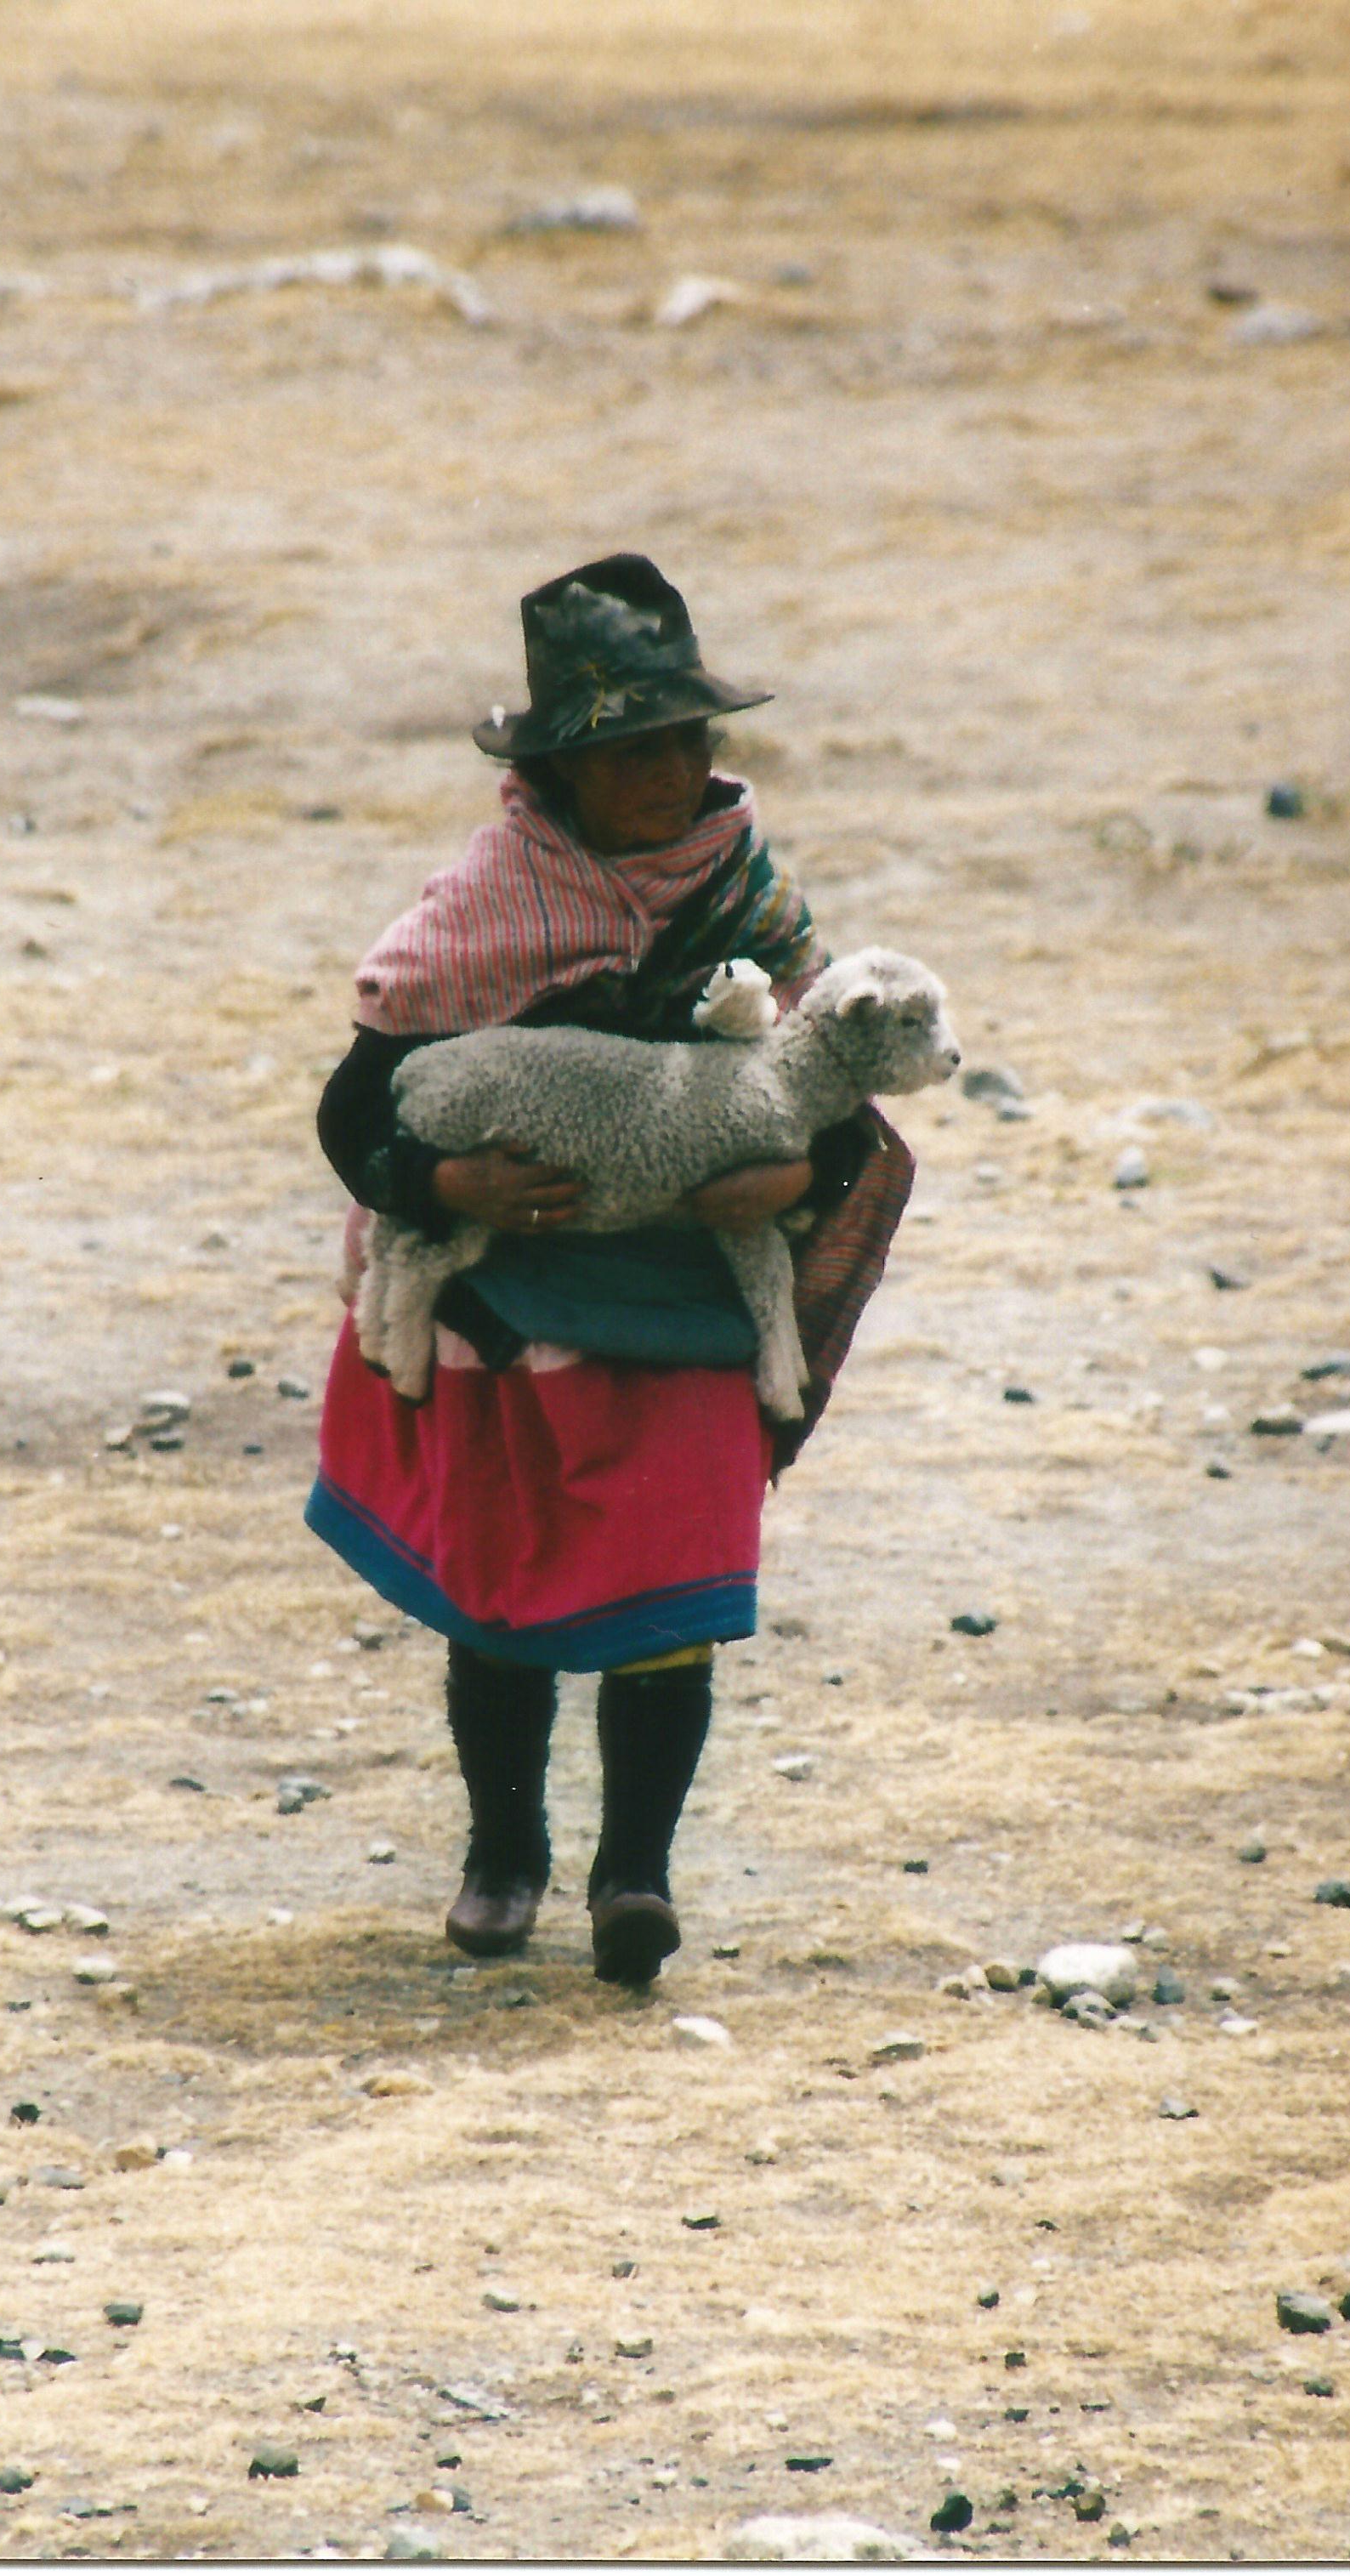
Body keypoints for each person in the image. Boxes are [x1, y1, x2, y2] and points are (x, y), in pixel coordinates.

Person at [304, 553, 914, 1988]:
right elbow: (357, 1106)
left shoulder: (748, 897)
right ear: (560, 770)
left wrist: (801, 1177)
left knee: (672, 1591)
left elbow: (830, 1080)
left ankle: (633, 1874)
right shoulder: (481, 909)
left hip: (685, 1306)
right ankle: (501, 1854)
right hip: (515, 1303)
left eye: (685, 741)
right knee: (505, 1592)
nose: (666, 772)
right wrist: (446, 1184)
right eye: (627, 749)